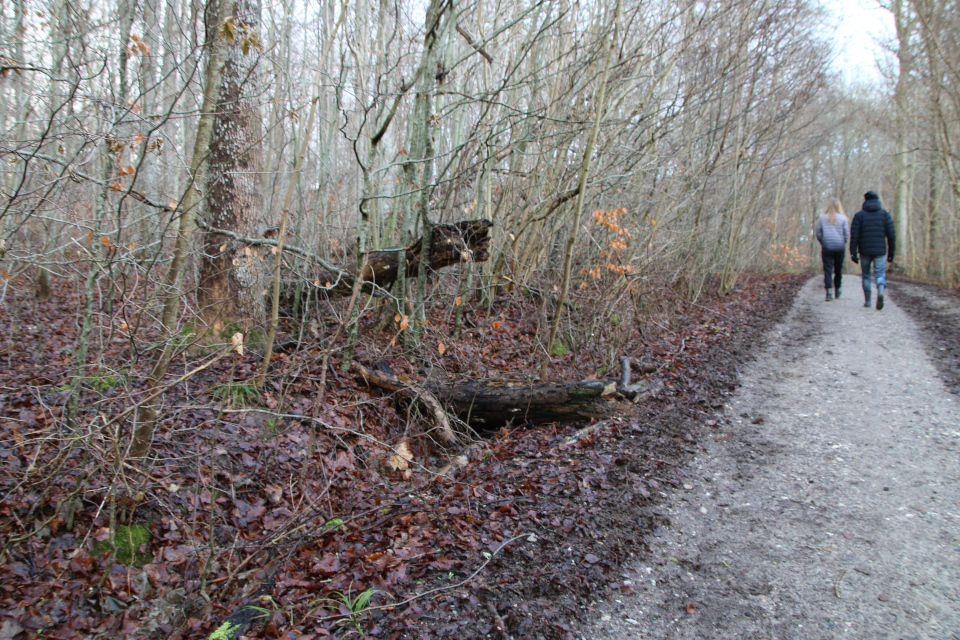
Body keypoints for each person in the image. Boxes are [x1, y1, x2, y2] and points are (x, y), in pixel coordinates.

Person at [850, 191, 896, 310]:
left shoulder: (859, 215)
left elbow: (854, 236)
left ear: (865, 201)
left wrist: (853, 252)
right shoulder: (884, 214)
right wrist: (891, 252)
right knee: (880, 273)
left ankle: (868, 301)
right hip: (880, 250)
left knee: (866, 275)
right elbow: (891, 235)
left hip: (864, 250)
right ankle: (880, 290)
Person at [815, 198, 849, 301]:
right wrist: (843, 242)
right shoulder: (843, 219)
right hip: (839, 247)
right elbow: (846, 234)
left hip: (827, 247)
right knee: (838, 269)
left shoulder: (823, 219)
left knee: (828, 269)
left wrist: (824, 242)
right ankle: (838, 288)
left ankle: (829, 291)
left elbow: (818, 233)